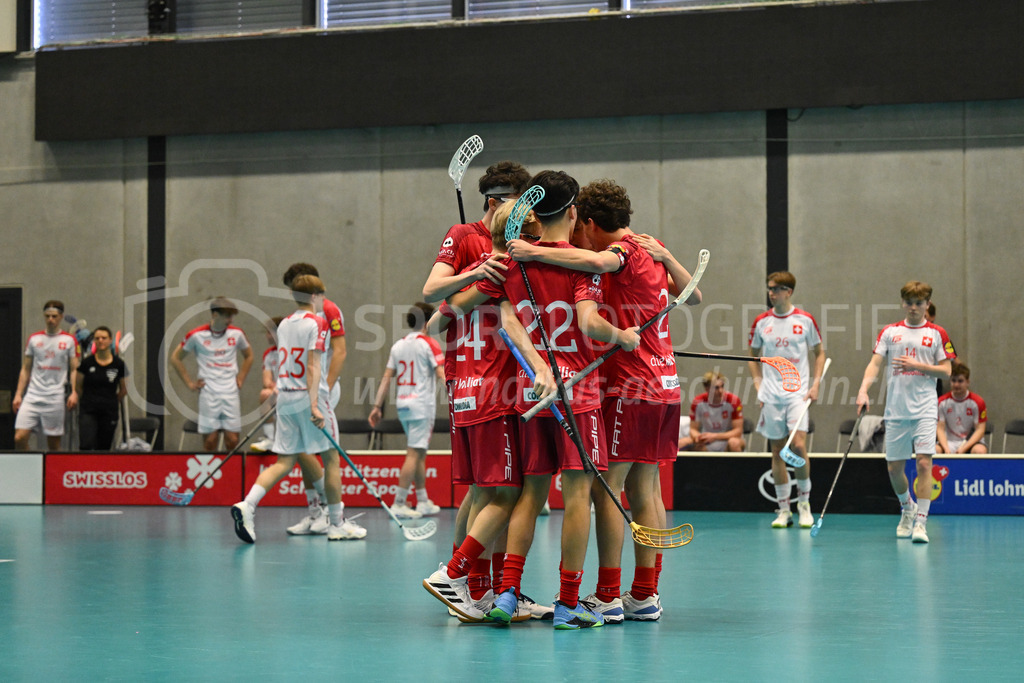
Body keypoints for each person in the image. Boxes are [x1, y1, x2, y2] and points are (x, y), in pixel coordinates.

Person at [505, 178, 701, 623]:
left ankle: (609, 594)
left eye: (580, 228)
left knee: (605, 489)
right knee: (645, 488)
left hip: (632, 387)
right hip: (665, 386)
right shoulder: (653, 247)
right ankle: (645, 594)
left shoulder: (619, 254)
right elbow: (696, 294)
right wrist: (669, 257)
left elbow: (591, 260)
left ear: (589, 222)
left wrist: (532, 251)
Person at [455, 170, 640, 630]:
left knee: (531, 494)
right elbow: (590, 322)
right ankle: (569, 602)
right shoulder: (581, 263)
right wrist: (624, 337)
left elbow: (497, 316)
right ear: (574, 211)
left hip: (527, 394)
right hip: (576, 395)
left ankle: (507, 592)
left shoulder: (513, 261)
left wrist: (537, 366)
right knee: (577, 495)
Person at [422, 200, 551, 624]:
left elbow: (432, 324)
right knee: (506, 495)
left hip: (468, 393)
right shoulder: (510, 273)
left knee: (485, 493)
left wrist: (471, 288)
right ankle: (455, 575)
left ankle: (484, 592)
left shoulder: (483, 273)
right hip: (495, 395)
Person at [231, 275, 366, 544]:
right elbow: (313, 365)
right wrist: (315, 405)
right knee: (331, 460)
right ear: (315, 296)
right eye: (322, 296)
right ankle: (337, 524)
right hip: (309, 398)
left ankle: (248, 505)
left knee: (284, 462)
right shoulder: (318, 323)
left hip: (285, 399)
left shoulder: (283, 325)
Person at [856, 280, 955, 544]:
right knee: (893, 469)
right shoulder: (890, 332)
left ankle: (921, 523)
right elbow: (875, 363)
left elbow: (947, 370)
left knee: (924, 463)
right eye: (909, 303)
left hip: (924, 408)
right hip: (896, 410)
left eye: (919, 303)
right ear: (903, 303)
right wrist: (864, 390)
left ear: (927, 305)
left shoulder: (937, 334)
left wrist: (918, 365)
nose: (913, 308)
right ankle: (907, 508)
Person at [748, 272, 825, 529]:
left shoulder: (804, 320)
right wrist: (759, 385)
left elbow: (819, 352)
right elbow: (752, 354)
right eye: (769, 288)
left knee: (799, 447)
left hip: (798, 394)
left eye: (777, 289)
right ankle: (783, 509)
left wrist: (815, 385)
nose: (772, 293)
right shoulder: (761, 322)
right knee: (778, 451)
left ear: (789, 291)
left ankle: (804, 504)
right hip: (771, 395)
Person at [279, 263, 348, 536]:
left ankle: (330, 515)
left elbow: (340, 352)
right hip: (300, 392)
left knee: (315, 451)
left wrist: (323, 390)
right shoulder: (294, 319)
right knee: (300, 449)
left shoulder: (329, 310)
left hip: (321, 390)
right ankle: (315, 513)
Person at [369, 302, 445, 518]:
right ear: (429, 321)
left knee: (419, 452)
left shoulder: (398, 346)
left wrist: (377, 406)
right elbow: (442, 374)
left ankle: (422, 501)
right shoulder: (430, 344)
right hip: (421, 406)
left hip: (402, 405)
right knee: (414, 453)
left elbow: (386, 378)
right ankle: (399, 503)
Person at [170, 297, 253, 452]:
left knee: (233, 440)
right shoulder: (196, 335)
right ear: (215, 315)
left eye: (232, 316)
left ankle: (232, 474)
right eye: (227, 315)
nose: (231, 319)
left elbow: (249, 356)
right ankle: (213, 474)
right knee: (210, 441)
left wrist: (241, 378)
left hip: (230, 392)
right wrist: (190, 383)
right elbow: (175, 358)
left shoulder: (237, 334)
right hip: (208, 393)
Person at [13, 300, 80, 451]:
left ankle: (52, 473)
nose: (51, 319)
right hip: (32, 395)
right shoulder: (34, 339)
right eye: (47, 316)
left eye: (54, 316)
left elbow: (74, 369)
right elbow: (25, 368)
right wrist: (18, 394)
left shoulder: (69, 340)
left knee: (54, 445)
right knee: (19, 438)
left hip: (55, 397)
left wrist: (74, 392)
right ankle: (32, 468)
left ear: (61, 317)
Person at [75, 326, 128, 450]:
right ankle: (85, 469)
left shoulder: (118, 364)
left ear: (110, 340)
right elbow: (78, 386)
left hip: (109, 411)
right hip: (88, 410)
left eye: (104, 338)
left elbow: (123, 389)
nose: (100, 341)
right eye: (97, 338)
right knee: (86, 444)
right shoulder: (87, 363)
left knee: (104, 447)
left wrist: (111, 400)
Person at [682, 371, 746, 452]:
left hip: (727, 440)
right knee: (683, 442)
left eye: (722, 386)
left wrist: (715, 436)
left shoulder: (734, 401)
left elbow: (738, 431)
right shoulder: (698, 402)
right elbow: (693, 429)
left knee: (734, 443)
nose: (721, 390)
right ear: (707, 389)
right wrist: (698, 437)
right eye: (716, 388)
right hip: (707, 442)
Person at [937, 362, 988, 455]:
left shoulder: (978, 402)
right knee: (933, 450)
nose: (956, 384)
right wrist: (945, 448)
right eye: (953, 380)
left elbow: (980, 430)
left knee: (980, 451)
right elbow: (940, 428)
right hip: (949, 442)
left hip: (970, 443)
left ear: (968, 382)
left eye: (960, 381)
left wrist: (964, 448)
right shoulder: (941, 402)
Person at [249, 316, 283, 453]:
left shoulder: (295, 351)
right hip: (277, 393)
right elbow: (267, 381)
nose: (267, 336)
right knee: (265, 394)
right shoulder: (269, 354)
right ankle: (269, 439)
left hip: (296, 393)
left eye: (269, 332)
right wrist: (275, 388)